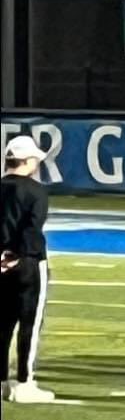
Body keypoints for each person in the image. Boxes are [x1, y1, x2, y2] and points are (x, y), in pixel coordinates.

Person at [1, 136, 53, 403]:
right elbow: (32, 229)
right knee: (29, 325)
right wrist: (18, 255)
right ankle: (24, 381)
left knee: (2, 323)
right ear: (29, 160)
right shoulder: (36, 191)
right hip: (28, 263)